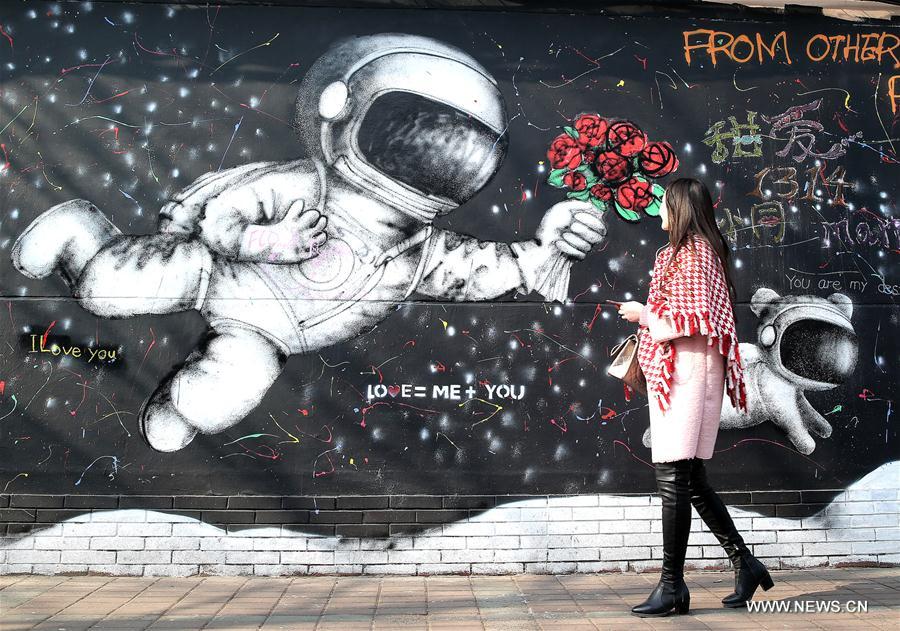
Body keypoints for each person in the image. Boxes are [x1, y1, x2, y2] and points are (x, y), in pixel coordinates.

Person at [616, 177, 774, 616]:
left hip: (687, 375)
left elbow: (692, 318)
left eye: (664, 204)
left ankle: (672, 588)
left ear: (681, 208)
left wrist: (644, 314)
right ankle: (745, 563)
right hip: (684, 372)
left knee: (673, 477)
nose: (658, 211)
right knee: (690, 479)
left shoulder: (696, 253)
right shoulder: (685, 253)